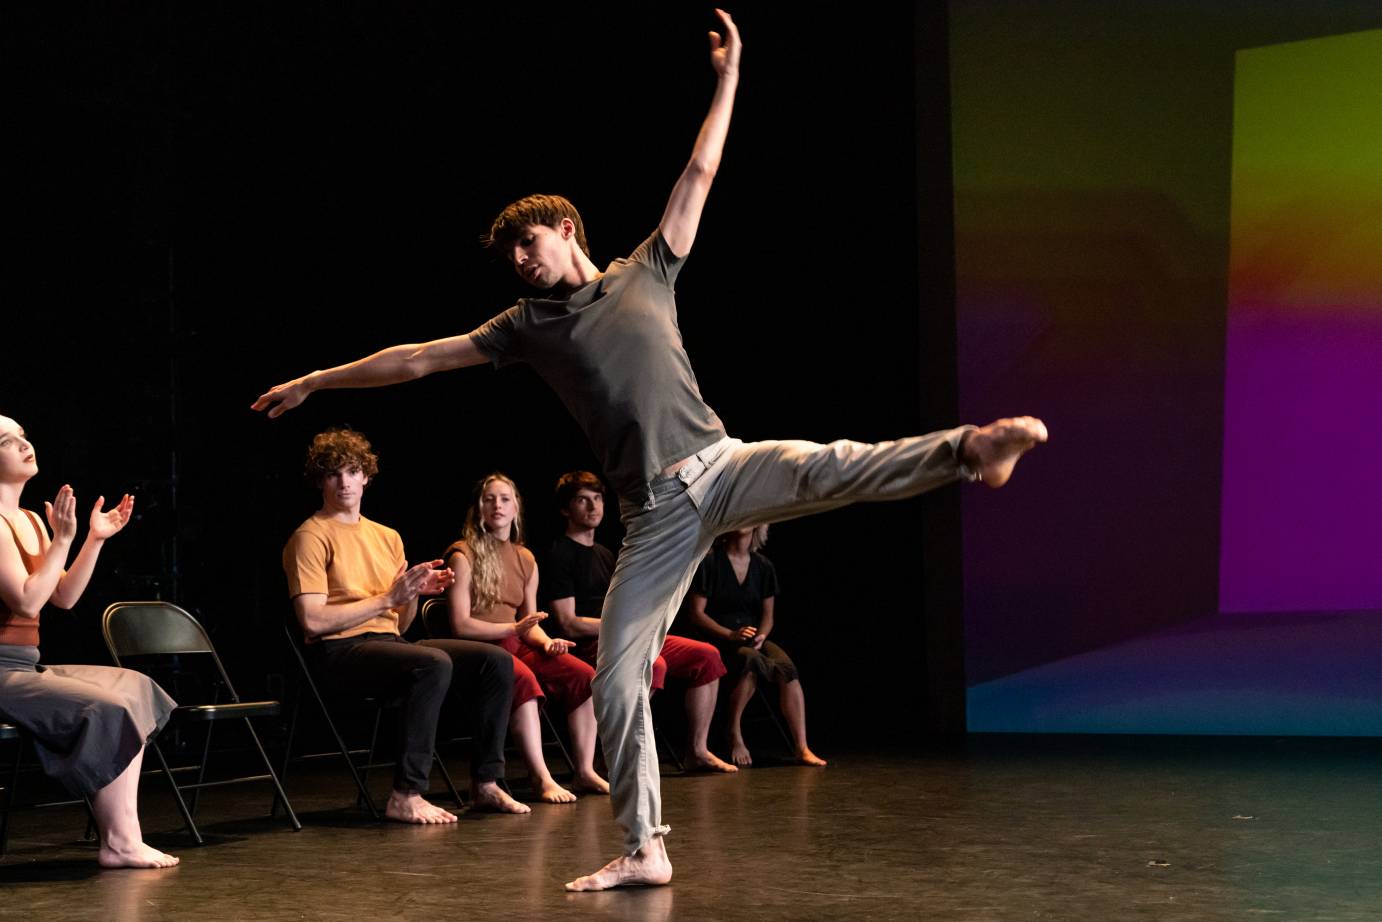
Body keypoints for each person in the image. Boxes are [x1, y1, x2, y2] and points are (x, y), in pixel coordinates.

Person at [253, 8, 1046, 890]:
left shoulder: (646, 269)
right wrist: (319, 379)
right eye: (508, 249)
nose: (518, 256)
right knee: (621, 677)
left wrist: (729, 76)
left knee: (833, 464)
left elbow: (701, 169)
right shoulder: (523, 328)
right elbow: (417, 359)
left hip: (723, 463)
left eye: (529, 238)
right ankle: (645, 847)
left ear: (566, 229)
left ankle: (972, 451)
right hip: (655, 515)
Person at [282, 428, 526, 822]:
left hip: (387, 643)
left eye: (351, 471)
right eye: (332, 474)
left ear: (366, 477)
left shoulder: (387, 536)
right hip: (337, 652)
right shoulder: (310, 536)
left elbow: (402, 623)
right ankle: (406, 794)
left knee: (494, 660)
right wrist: (387, 598)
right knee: (433, 662)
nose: (344, 482)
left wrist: (412, 594)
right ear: (320, 481)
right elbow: (312, 621)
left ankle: (486, 783)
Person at [0, 414, 178, 868]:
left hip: (24, 664)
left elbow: (61, 598)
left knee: (133, 687)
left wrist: (91, 540)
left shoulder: (29, 521)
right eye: (7, 440)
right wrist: (62, 539)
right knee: (107, 708)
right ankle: (119, 841)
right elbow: (25, 601)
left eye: (23, 434)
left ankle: (122, 835)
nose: (24, 444)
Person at [543, 470, 734, 773]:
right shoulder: (559, 554)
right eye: (582, 500)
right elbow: (568, 623)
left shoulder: (606, 553)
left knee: (706, 656)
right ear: (566, 509)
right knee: (653, 665)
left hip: (628, 636)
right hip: (594, 644)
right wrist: (625, 629)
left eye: (598, 499)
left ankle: (697, 750)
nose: (593, 507)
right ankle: (615, 752)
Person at [439, 473, 608, 802]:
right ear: (478, 508)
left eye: (504, 499)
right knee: (523, 680)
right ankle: (541, 777)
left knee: (582, 675)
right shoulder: (462, 554)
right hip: (481, 648)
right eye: (489, 499)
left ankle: (584, 770)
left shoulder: (525, 558)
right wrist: (512, 631)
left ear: (516, 507)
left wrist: (546, 642)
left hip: (514, 641)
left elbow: (527, 622)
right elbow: (461, 625)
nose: (497, 505)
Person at [688, 526, 824, 767]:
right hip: (720, 637)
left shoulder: (763, 566)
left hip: (752, 637)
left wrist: (761, 635)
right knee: (750, 661)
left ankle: (801, 746)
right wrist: (730, 634)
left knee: (786, 667)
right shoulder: (710, 561)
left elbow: (768, 615)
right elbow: (697, 614)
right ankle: (734, 732)